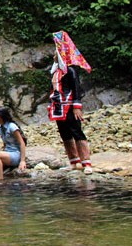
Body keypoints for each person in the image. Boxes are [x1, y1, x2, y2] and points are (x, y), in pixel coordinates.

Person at [48, 30, 94, 174]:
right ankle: (74, 161)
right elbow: (53, 90)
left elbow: (76, 88)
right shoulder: (55, 71)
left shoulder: (70, 70)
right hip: (58, 107)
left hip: (69, 106)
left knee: (76, 131)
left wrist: (77, 106)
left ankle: (86, 162)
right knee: (64, 133)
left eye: (56, 52)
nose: (54, 55)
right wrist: (51, 105)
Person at [0, 107, 27, 180]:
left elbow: (22, 143)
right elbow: (5, 144)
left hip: (15, 154)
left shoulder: (12, 126)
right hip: (7, 154)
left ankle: (0, 178)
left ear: (1, 117)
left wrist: (22, 161)